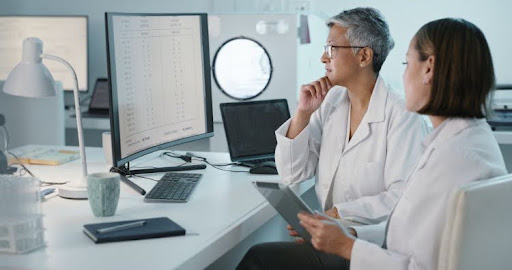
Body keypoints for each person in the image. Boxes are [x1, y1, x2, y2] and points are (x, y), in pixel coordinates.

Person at [237, 18, 507, 270]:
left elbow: (418, 261)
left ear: (428, 68)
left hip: (374, 256)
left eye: (406, 64)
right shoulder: (461, 142)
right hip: (371, 244)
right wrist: (348, 233)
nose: (403, 76)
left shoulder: (453, 158)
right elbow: (406, 229)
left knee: (259, 258)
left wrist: (346, 243)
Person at [275, 7, 428, 223]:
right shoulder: (330, 102)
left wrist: (334, 217)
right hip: (333, 234)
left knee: (260, 256)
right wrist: (303, 113)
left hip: (375, 243)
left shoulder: (402, 114)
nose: (322, 58)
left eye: (331, 49)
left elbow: (403, 196)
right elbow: (292, 174)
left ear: (364, 56)